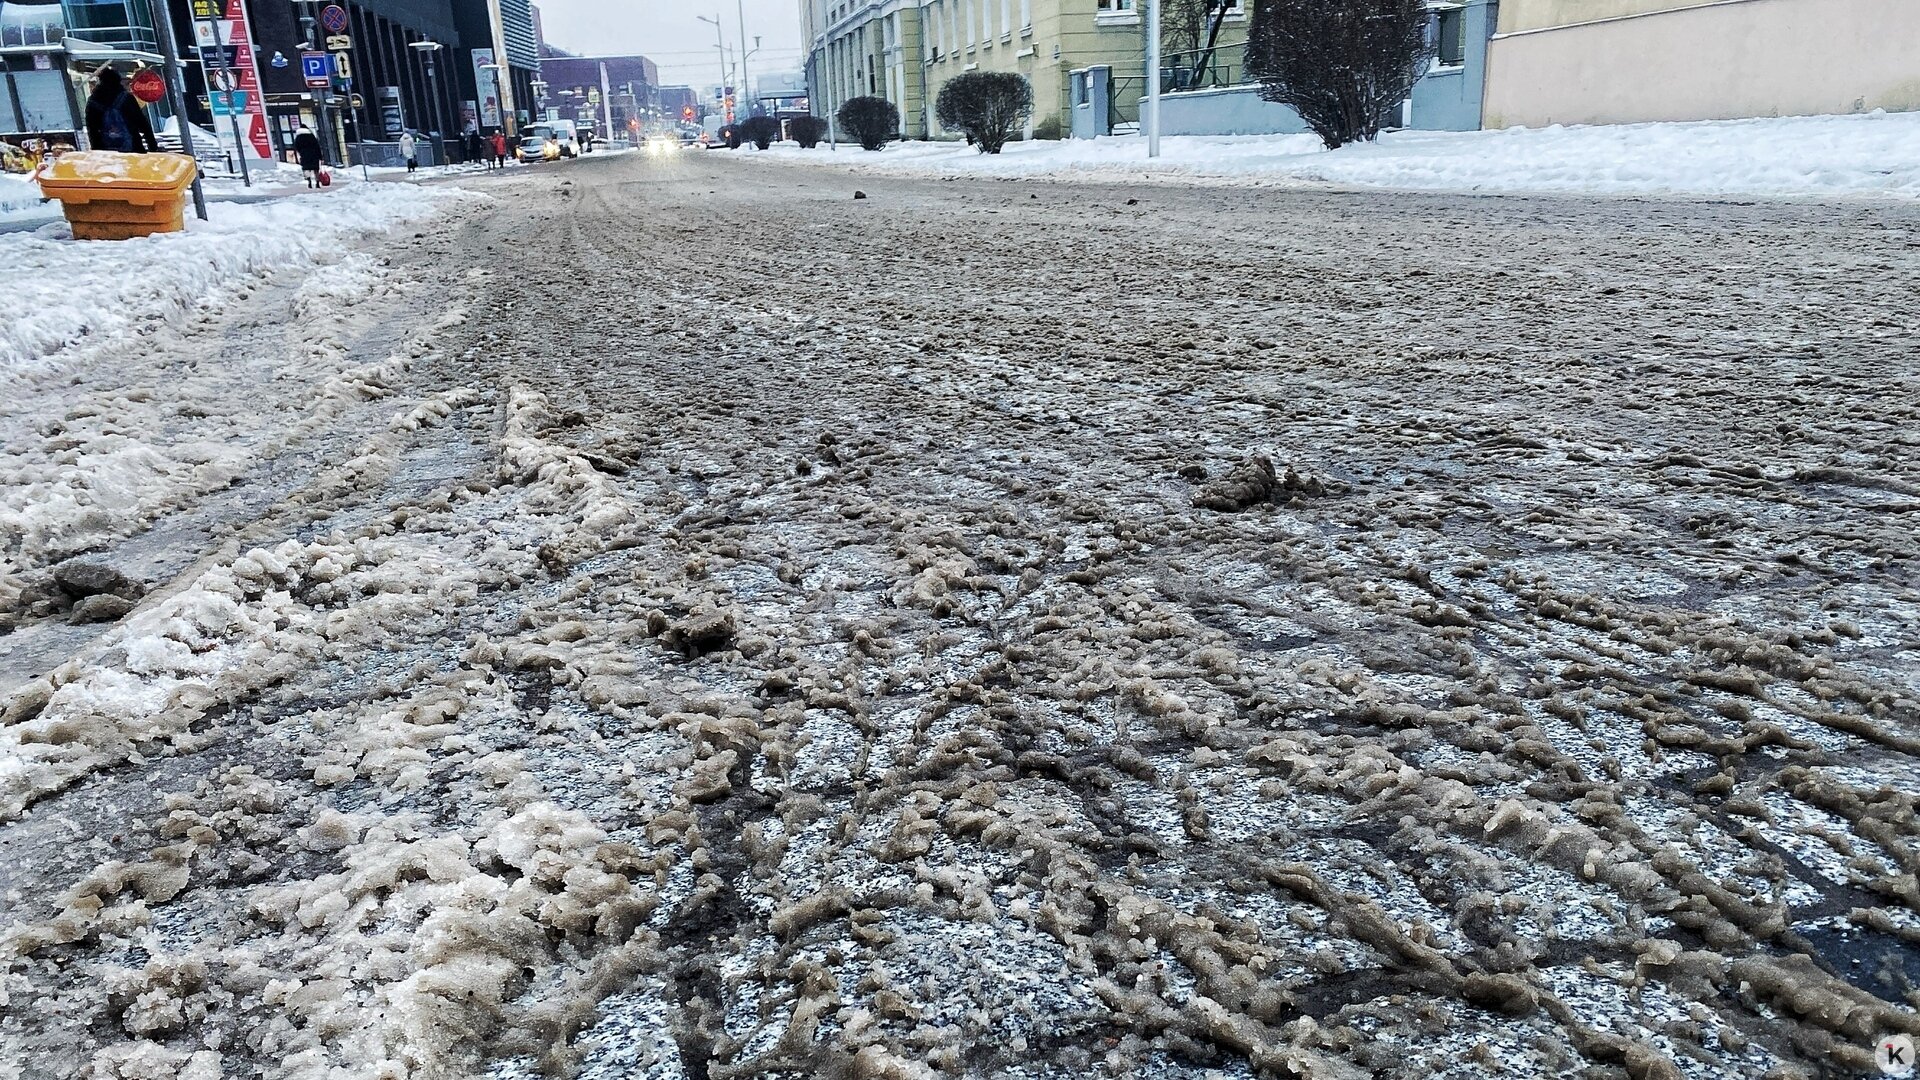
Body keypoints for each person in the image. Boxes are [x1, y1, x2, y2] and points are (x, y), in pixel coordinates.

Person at [84, 68, 158, 154]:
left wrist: (96, 149)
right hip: (133, 148)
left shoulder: (93, 101)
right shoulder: (126, 98)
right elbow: (141, 122)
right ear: (118, 81)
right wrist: (152, 144)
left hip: (106, 151)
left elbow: (91, 128)